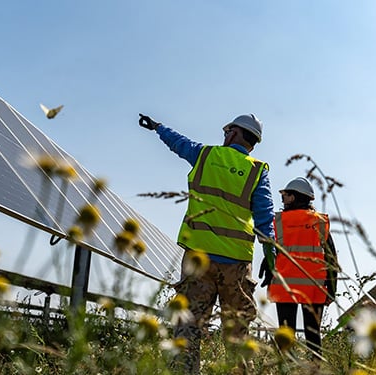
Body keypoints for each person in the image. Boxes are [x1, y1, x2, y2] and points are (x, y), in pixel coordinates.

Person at [138, 113, 275, 374]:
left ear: (234, 133)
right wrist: (271, 258)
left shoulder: (205, 155)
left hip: (198, 261)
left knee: (187, 330)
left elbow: (179, 143)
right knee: (237, 335)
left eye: (227, 130)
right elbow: (265, 219)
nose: (224, 134)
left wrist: (158, 127)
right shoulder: (257, 171)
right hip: (236, 266)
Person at [259, 177, 339, 358]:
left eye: (285, 195)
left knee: (286, 337)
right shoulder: (319, 222)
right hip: (314, 288)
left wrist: (268, 267)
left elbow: (272, 250)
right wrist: (332, 290)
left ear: (294, 197)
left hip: (285, 286)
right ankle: (315, 370)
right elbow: (331, 258)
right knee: (314, 338)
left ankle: (285, 370)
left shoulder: (278, 221)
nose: (283, 199)